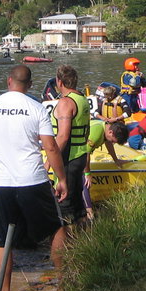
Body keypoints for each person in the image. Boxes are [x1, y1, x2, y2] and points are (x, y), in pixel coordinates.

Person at [0, 65, 68, 291]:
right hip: (32, 179)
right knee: (56, 227)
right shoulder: (36, 107)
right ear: (30, 85)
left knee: (2, 239)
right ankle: (65, 283)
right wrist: (62, 179)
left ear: (8, 81)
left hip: (0, 182)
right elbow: (51, 147)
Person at [51, 65, 92, 229]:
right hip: (81, 154)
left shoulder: (65, 102)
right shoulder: (82, 99)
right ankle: (84, 244)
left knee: (65, 207)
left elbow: (63, 136)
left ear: (59, 81)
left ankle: (65, 250)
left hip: (68, 158)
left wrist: (48, 162)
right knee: (77, 205)